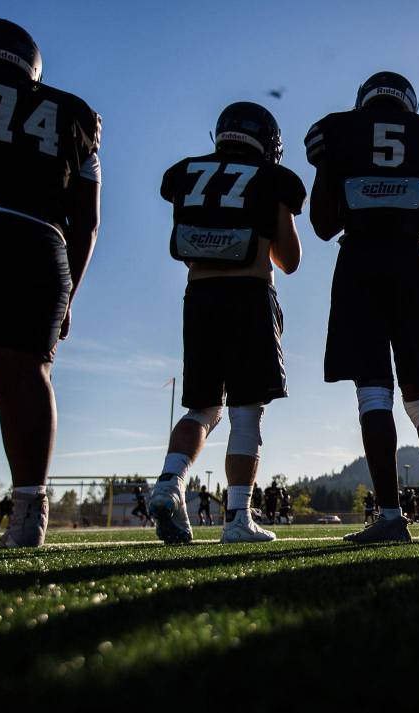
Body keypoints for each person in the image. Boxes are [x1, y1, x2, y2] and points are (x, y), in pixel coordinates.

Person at [305, 71, 419, 544]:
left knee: (373, 395)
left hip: (358, 265)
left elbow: (321, 224)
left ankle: (392, 518)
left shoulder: (336, 130)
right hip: (409, 264)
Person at [150, 101, 305, 544]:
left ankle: (169, 482)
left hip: (198, 296)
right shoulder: (273, 179)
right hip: (249, 294)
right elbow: (289, 260)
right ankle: (238, 517)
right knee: (245, 412)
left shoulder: (188, 173)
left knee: (202, 407)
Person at [0, 19, 101, 548]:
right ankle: (29, 509)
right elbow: (88, 220)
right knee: (27, 372)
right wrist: (70, 292)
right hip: (38, 243)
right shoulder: (72, 114)